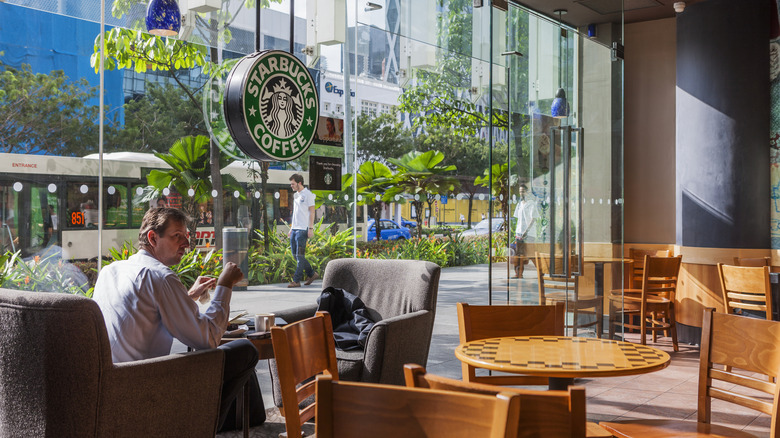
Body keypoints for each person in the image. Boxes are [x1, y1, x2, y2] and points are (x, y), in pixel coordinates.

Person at [92, 207, 264, 431]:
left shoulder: (110, 271)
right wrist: (225, 285)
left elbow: (141, 312)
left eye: (186, 237)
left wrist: (188, 296)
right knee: (245, 350)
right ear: (153, 238)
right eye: (177, 236)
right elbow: (208, 338)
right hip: (144, 384)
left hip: (110, 383)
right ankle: (195, 428)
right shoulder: (161, 276)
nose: (186, 244)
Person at [287, 174, 318, 288]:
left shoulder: (308, 195)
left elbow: (312, 212)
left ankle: (296, 281)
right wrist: (291, 228)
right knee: (295, 256)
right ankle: (311, 273)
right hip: (295, 229)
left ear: (299, 183)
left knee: (300, 255)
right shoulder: (296, 195)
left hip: (302, 230)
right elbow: (295, 214)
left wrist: (310, 228)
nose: (291, 186)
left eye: (293, 184)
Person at [512, 184, 539, 278]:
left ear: (527, 192)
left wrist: (526, 231)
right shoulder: (519, 204)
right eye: (520, 191)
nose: (521, 193)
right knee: (518, 254)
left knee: (531, 254)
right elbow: (518, 219)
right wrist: (517, 232)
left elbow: (533, 218)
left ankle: (541, 271)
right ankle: (518, 273)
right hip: (519, 232)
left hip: (529, 234)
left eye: (523, 191)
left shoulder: (531, 203)